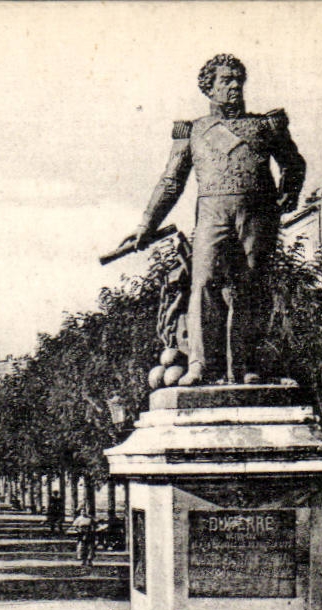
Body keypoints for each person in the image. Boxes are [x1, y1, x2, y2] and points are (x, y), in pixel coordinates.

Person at [119, 54, 305, 385]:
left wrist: (288, 193)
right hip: (211, 214)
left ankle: (247, 366)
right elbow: (171, 181)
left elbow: (293, 163)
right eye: (225, 80)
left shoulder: (265, 125)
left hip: (257, 214)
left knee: (249, 287)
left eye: (238, 79)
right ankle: (201, 364)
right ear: (209, 87)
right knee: (203, 283)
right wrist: (146, 224)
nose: (234, 85)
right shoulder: (193, 131)